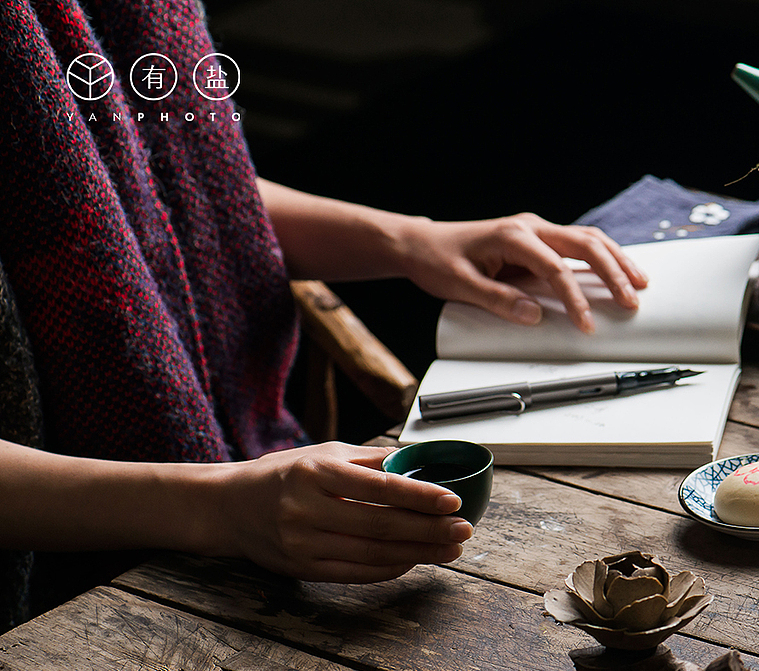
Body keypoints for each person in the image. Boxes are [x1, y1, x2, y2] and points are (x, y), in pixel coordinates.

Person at [0, 0, 648, 632]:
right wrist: (217, 508)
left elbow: (156, 183)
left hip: (245, 495)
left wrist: (412, 240)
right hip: (67, 602)